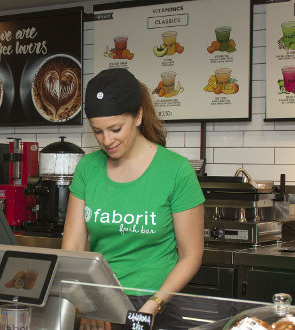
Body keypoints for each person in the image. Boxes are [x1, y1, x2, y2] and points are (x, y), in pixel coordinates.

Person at [62, 69, 205, 329]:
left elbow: (191, 255)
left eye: (116, 129)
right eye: (97, 132)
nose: (107, 140)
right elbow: (72, 250)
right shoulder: (87, 169)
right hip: (101, 303)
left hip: (157, 303)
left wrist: (154, 304)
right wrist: (88, 302)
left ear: (138, 116)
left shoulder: (176, 171)